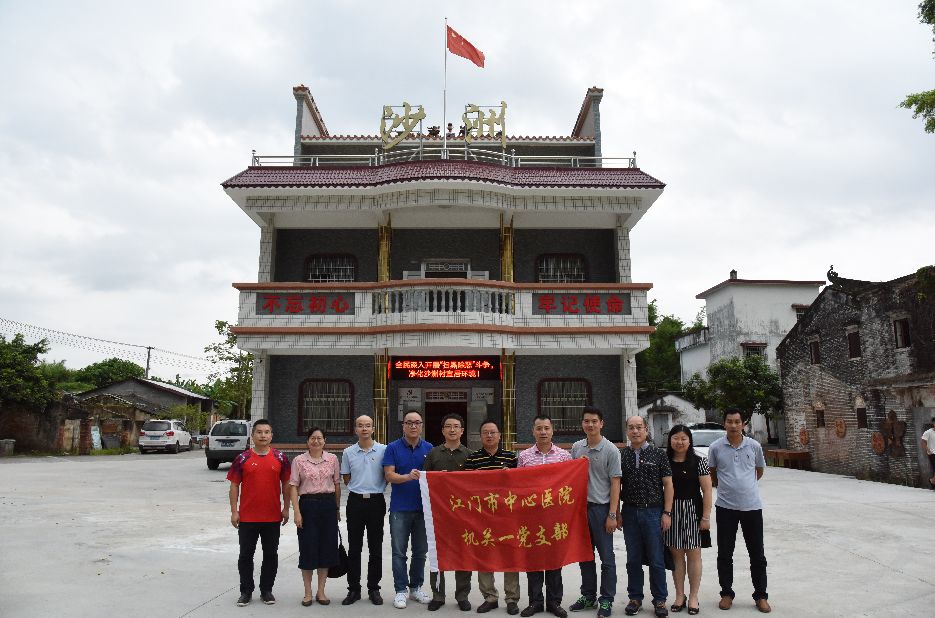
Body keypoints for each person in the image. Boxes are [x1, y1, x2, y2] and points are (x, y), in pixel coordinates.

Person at [707, 410, 770, 613]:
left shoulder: (754, 446)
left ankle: (761, 595)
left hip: (752, 507)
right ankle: (726, 593)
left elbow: (759, 471)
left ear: (743, 424)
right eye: (729, 421)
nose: (733, 425)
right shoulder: (716, 447)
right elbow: (713, 473)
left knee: (757, 554)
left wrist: (745, 486)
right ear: (724, 423)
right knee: (725, 553)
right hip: (725, 507)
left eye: (737, 422)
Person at [227, 419, 291, 607]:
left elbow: (287, 484)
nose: (263, 435)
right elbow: (234, 486)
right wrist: (234, 511)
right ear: (253, 435)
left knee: (271, 555)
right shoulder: (242, 458)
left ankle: (266, 590)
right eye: (259, 432)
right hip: (247, 518)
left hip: (272, 517)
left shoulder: (280, 458)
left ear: (271, 435)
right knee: (245, 555)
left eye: (267, 432)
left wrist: (286, 508)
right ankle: (246, 591)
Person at [464, 419, 520, 615]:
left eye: (492, 432)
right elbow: (464, 486)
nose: (489, 436)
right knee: (484, 555)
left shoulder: (511, 458)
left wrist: (510, 475)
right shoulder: (473, 459)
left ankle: (512, 598)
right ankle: (490, 597)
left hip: (507, 515)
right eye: (485, 433)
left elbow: (522, 485)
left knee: (510, 555)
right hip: (482, 516)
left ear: (499, 436)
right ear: (480, 436)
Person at [619, 415, 673, 618]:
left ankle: (660, 600)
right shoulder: (622, 455)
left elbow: (668, 484)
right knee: (633, 558)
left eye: (639, 427)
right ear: (627, 431)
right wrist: (617, 512)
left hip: (653, 512)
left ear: (646, 430)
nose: (635, 431)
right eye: (631, 427)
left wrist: (667, 512)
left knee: (656, 558)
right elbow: (615, 485)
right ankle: (635, 598)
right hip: (630, 512)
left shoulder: (658, 454)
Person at [569, 407, 621, 618]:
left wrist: (612, 515)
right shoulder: (576, 448)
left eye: (594, 421)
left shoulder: (611, 450)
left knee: (607, 558)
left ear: (601, 423)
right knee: (585, 556)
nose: (590, 425)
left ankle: (606, 599)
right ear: (582, 423)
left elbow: (615, 483)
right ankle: (588, 596)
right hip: (580, 511)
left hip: (601, 509)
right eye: (586, 421)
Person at [518, 415, 571, 618]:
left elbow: (570, 483)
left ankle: (554, 602)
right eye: (539, 428)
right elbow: (518, 486)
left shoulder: (564, 456)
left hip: (555, 517)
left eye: (546, 428)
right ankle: (535, 602)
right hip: (531, 516)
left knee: (554, 560)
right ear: (533, 431)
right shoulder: (524, 457)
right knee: (533, 560)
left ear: (552, 430)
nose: (543, 432)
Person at [384, 410, 434, 609]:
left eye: (417, 423)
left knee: (420, 552)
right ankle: (400, 590)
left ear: (421, 426)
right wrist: (407, 476)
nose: (413, 426)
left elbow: (435, 476)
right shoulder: (392, 448)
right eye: (409, 422)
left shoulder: (429, 448)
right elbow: (389, 475)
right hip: (400, 508)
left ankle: (416, 588)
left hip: (424, 509)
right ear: (403, 425)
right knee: (399, 552)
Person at [423, 413, 473, 612]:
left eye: (456, 426)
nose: (452, 430)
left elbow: (476, 484)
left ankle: (462, 595)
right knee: (437, 553)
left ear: (462, 430)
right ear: (443, 430)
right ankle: (438, 595)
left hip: (463, 514)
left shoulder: (469, 454)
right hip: (438, 514)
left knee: (464, 554)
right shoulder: (434, 454)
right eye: (448, 426)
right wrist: (437, 478)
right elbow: (425, 480)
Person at [663, 425, 712, 615]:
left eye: (683, 438)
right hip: (671, 512)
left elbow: (707, 490)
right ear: (670, 440)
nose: (680, 442)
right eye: (676, 438)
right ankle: (679, 595)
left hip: (693, 511)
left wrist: (705, 517)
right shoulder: (665, 460)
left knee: (693, 555)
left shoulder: (699, 461)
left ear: (689, 441)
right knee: (676, 556)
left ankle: (693, 597)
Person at [289, 427, 341, 606]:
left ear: (325, 441)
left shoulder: (333, 459)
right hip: (307, 505)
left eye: (319, 438)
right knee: (308, 548)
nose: (316, 441)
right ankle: (307, 592)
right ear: (307, 441)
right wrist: (296, 511)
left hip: (328, 505)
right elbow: (293, 486)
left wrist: (336, 509)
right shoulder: (299, 460)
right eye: (312, 438)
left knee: (327, 548)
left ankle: (321, 591)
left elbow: (336, 484)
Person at [341, 415, 388, 605]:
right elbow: (346, 478)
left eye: (368, 425)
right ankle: (354, 589)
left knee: (375, 547)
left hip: (376, 501)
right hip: (355, 502)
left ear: (373, 429)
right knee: (354, 547)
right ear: (355, 429)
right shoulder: (348, 452)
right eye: (360, 426)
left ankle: (374, 588)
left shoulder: (384, 450)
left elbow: (387, 474)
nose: (364, 429)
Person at [920, 418, 935, 490]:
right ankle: (932, 481)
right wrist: (928, 450)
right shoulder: (928, 432)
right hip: (932, 453)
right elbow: (923, 442)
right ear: (933, 423)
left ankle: (932, 481)